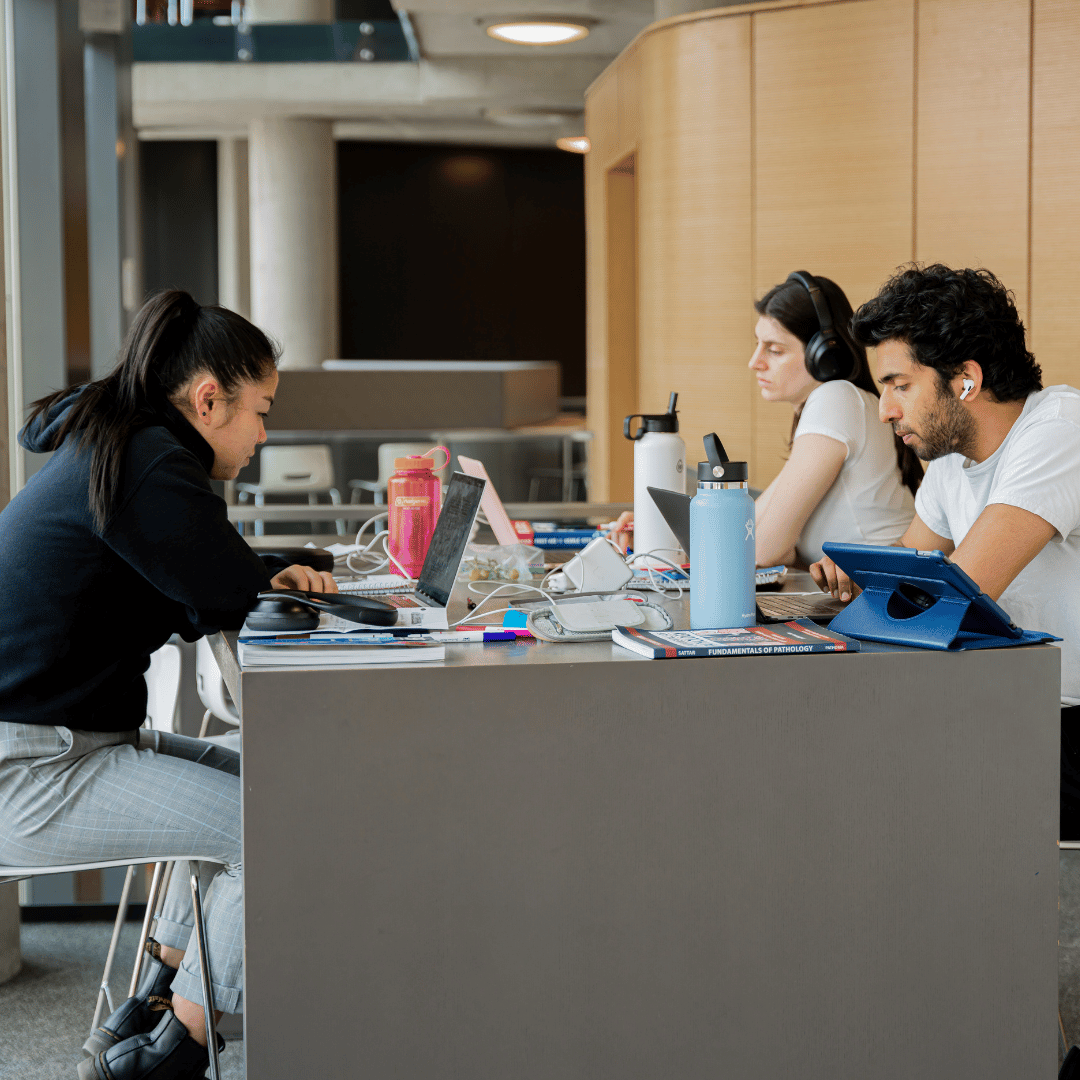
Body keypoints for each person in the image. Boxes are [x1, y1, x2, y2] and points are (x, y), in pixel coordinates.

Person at [0, 290, 336, 1080]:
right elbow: (218, 592)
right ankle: (173, 1057)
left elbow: (199, 575)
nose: (263, 433)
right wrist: (266, 575)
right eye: (261, 410)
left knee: (266, 776)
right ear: (207, 398)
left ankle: (151, 1007)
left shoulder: (121, 440)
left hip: (60, 742)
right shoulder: (150, 461)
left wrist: (268, 570)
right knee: (279, 825)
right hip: (33, 770)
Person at [809, 264, 1080, 838]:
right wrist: (855, 577)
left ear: (965, 380)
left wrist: (888, 588)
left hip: (1065, 730)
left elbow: (957, 593)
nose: (884, 410)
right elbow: (909, 571)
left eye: (899, 385)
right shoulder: (954, 460)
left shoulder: (1059, 429)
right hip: (1015, 707)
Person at [610, 272, 921, 566]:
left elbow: (762, 548)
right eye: (758, 345)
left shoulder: (837, 399)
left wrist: (772, 546)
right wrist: (659, 536)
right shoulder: (836, 405)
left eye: (774, 350)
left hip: (886, 598)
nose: (754, 362)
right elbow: (755, 526)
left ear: (825, 355)